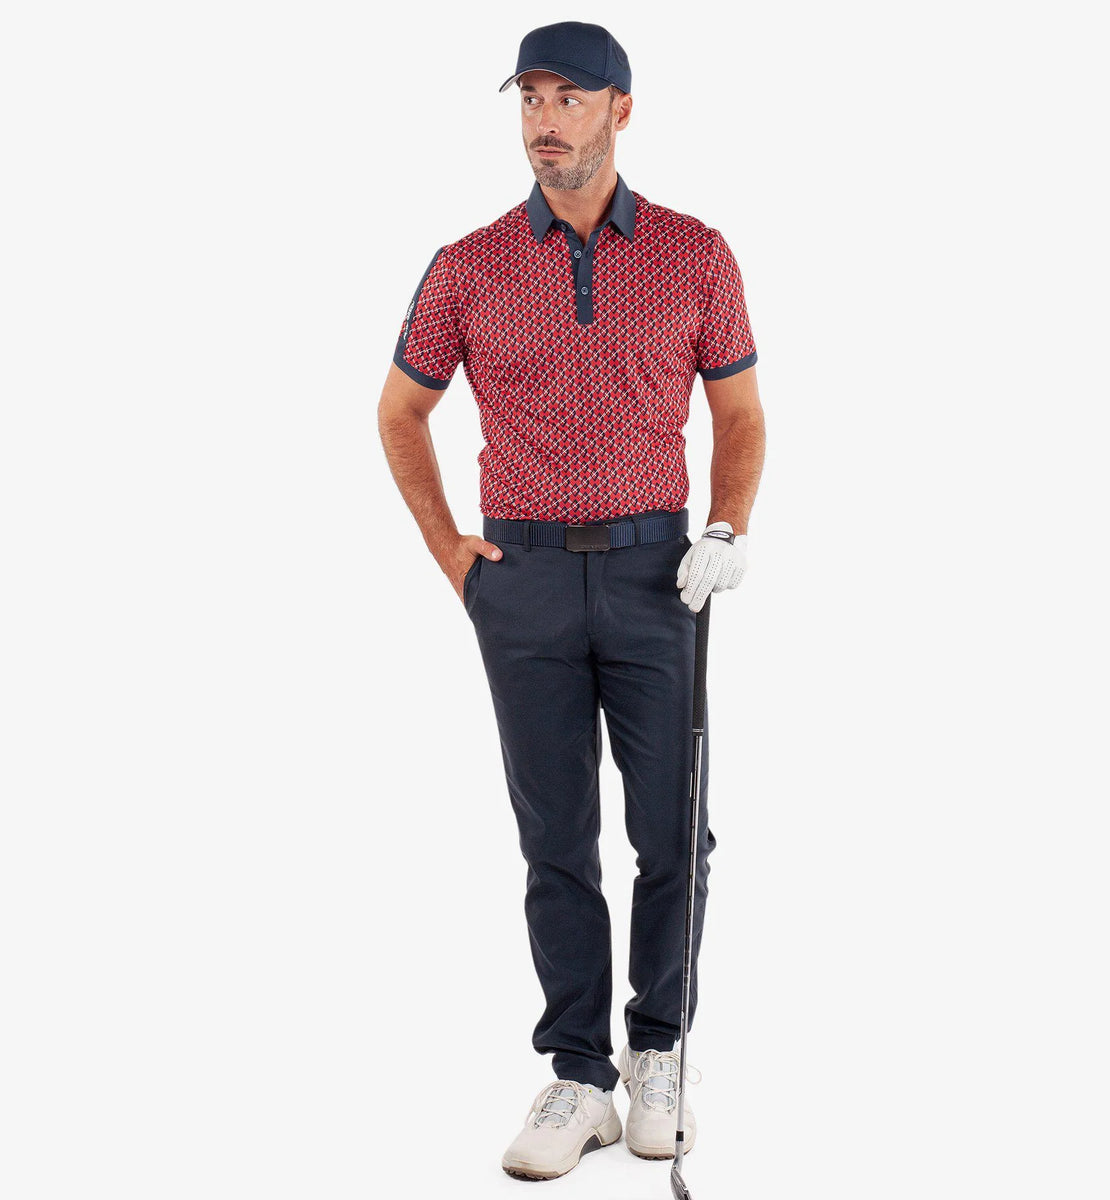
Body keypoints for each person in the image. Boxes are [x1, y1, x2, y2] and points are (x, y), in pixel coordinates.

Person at [376, 21, 765, 1182]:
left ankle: (659, 1050)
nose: (545, 120)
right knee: (554, 838)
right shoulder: (468, 265)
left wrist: (726, 527)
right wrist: (453, 555)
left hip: (656, 577)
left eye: (569, 98)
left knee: (673, 830)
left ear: (620, 111)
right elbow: (400, 410)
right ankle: (580, 1075)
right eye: (530, 98)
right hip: (525, 582)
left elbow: (740, 414)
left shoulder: (696, 254)